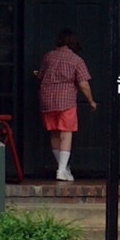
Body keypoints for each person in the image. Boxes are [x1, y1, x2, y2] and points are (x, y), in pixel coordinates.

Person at [34, 28, 96, 184]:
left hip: (47, 99)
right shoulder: (76, 60)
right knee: (66, 134)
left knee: (54, 133)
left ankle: (64, 167)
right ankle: (62, 170)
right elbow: (83, 84)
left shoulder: (49, 56)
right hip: (66, 100)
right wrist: (91, 101)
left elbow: (40, 76)